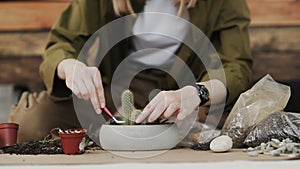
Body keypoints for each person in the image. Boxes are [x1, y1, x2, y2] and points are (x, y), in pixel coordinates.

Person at [8, 0, 252, 142]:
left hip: (184, 99)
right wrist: (71, 67)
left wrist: (195, 93)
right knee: (32, 123)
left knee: (242, 130)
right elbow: (62, 43)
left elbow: (235, 66)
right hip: (116, 92)